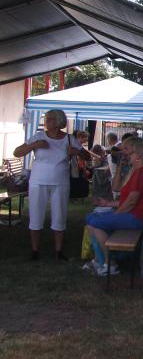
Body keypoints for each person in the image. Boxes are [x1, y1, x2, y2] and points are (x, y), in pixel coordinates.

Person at [13, 109, 91, 260]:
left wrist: (76, 152)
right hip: (38, 181)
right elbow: (17, 153)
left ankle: (58, 251)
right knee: (35, 215)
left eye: (50, 119)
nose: (46, 122)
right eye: (46, 119)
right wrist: (34, 145)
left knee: (60, 215)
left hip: (60, 182)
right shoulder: (39, 136)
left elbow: (87, 156)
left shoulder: (69, 138)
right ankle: (35, 251)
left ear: (59, 121)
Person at [86, 138, 143, 275]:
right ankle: (101, 260)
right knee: (91, 220)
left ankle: (110, 264)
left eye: (130, 153)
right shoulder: (138, 171)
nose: (127, 155)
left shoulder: (141, 172)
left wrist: (115, 215)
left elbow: (131, 202)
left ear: (139, 156)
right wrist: (109, 205)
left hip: (137, 217)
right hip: (136, 215)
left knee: (95, 222)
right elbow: (125, 196)